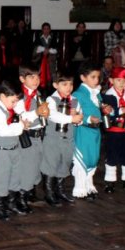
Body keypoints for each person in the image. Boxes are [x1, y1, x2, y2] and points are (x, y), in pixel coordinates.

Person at [0, 80, 30, 221]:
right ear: (2, 96)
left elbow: (19, 120)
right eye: (13, 101)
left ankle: (11, 203)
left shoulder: (10, 109)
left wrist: (22, 122)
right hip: (2, 151)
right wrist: (20, 126)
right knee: (1, 179)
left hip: (14, 148)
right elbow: (3, 131)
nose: (15, 104)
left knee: (15, 177)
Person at [41, 72, 83, 207]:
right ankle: (48, 192)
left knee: (64, 163)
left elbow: (79, 119)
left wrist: (77, 118)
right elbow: (53, 115)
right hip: (53, 139)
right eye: (64, 84)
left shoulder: (74, 100)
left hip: (68, 139)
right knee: (50, 164)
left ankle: (60, 190)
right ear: (55, 85)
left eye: (71, 84)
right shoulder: (51, 100)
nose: (68, 87)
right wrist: (71, 118)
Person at [71, 61, 111, 201]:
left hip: (95, 132)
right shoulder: (76, 95)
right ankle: (79, 188)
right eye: (93, 77)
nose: (96, 80)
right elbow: (73, 113)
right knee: (82, 158)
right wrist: (88, 119)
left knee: (93, 158)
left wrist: (105, 109)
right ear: (83, 78)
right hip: (83, 131)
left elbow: (99, 106)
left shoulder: (96, 93)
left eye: (98, 77)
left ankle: (89, 185)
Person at [14, 64, 50, 213]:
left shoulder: (38, 94)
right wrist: (37, 112)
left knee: (36, 166)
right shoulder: (19, 96)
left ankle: (29, 192)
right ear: (22, 79)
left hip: (38, 135)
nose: (36, 80)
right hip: (26, 137)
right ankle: (21, 198)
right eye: (31, 77)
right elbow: (22, 116)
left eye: (38, 76)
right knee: (27, 168)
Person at [32, 22, 58, 92]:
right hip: (40, 62)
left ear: (50, 30)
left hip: (51, 62)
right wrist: (45, 49)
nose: (46, 30)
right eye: (44, 29)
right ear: (42, 30)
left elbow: (55, 50)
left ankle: (51, 90)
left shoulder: (53, 38)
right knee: (40, 75)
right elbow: (36, 49)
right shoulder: (38, 38)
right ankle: (39, 90)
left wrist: (48, 50)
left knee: (51, 76)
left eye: (47, 29)